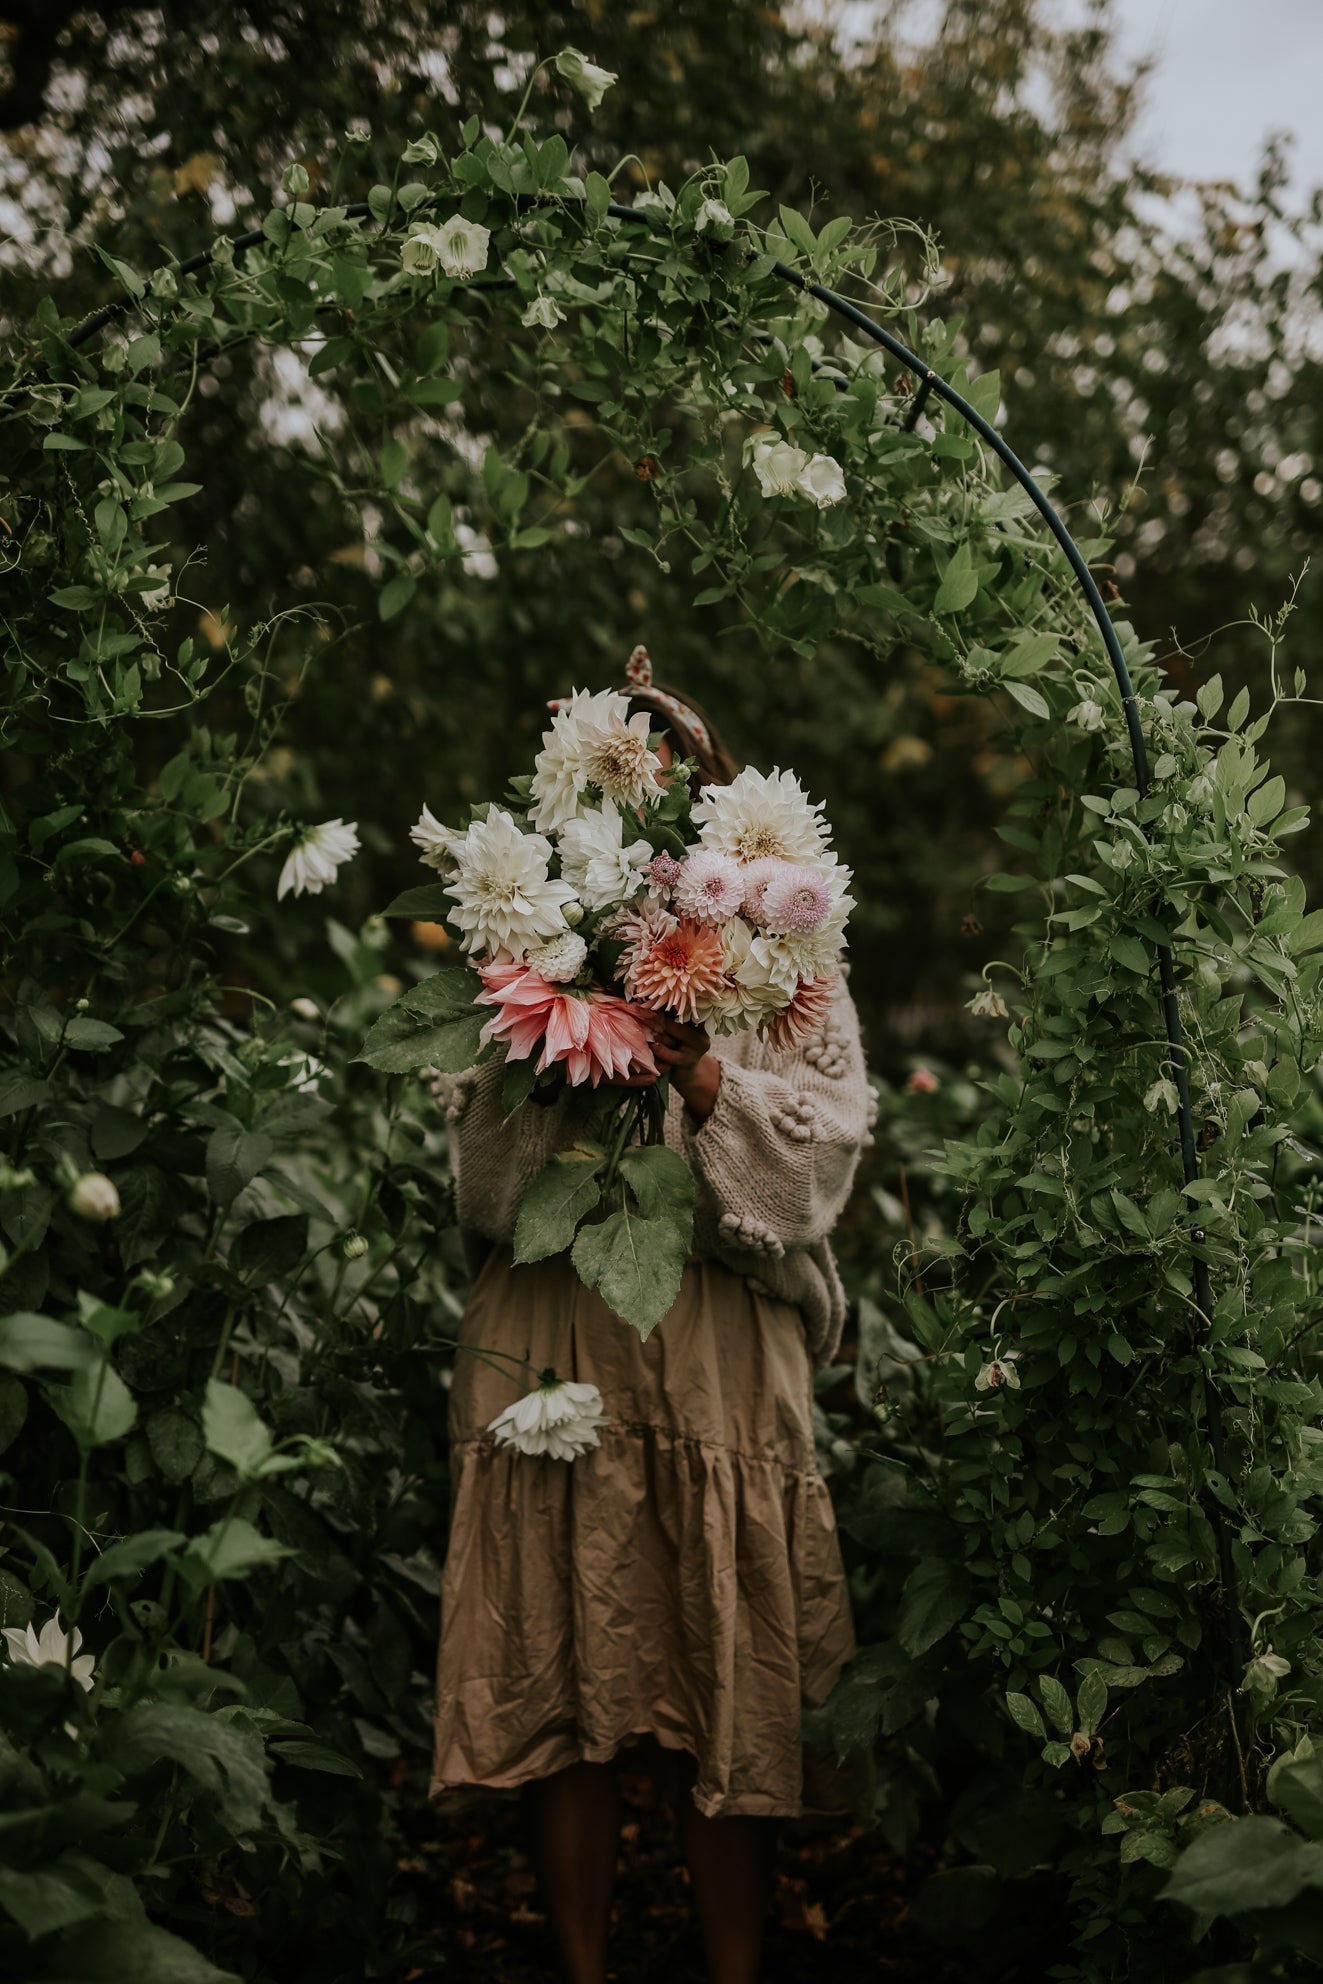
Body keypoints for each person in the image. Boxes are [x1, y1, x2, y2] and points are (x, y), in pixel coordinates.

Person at [428, 659, 875, 1984]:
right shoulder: (530, 943)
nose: (653, 789)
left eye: (676, 766)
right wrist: (553, 1040)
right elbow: (484, 1184)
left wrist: (705, 1074)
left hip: (722, 1347)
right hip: (559, 1328)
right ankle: (583, 1967)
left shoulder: (790, 947)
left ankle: (731, 1969)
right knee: (568, 1665)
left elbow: (817, 1179)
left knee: (717, 1669)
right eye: (626, 770)